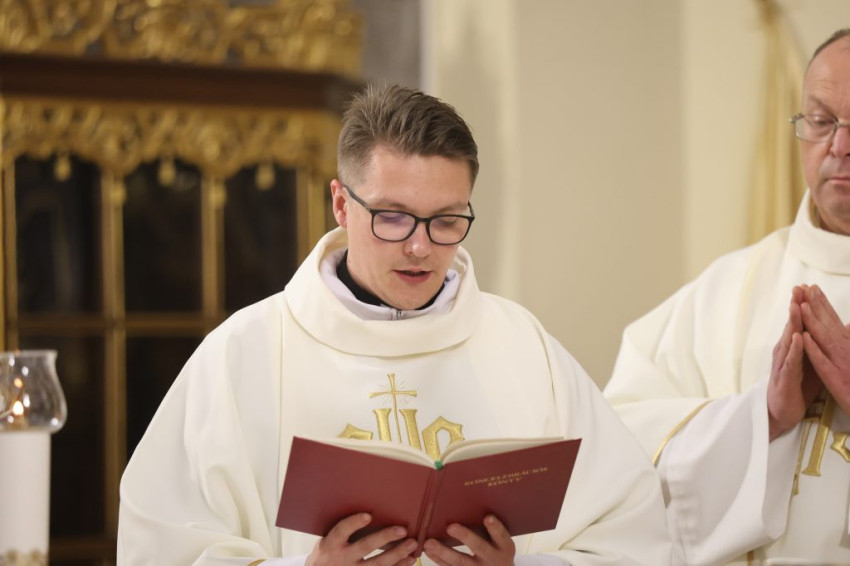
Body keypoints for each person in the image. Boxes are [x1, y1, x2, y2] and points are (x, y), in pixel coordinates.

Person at [117, 84, 671, 565]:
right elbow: (162, 547)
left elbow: (632, 533)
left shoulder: (523, 347)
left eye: (446, 220)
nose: (420, 246)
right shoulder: (244, 352)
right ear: (341, 204)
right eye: (393, 216)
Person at [603, 28, 850, 566]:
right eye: (820, 121)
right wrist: (762, 418)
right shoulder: (728, 289)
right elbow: (619, 445)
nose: (839, 147)